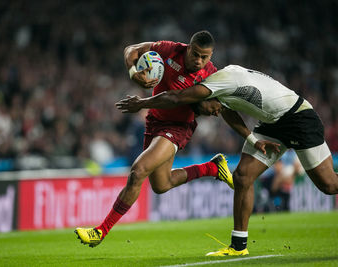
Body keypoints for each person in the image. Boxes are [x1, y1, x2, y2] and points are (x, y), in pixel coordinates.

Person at [116, 64, 338, 256]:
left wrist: (142, 103)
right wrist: (253, 139)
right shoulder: (221, 89)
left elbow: (175, 97)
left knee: (328, 185)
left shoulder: (217, 84)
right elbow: (228, 112)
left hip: (298, 118)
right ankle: (239, 245)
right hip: (273, 125)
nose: (212, 114)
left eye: (205, 109)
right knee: (242, 177)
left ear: (207, 96)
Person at [75, 31, 234, 247]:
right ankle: (213, 168)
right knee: (161, 184)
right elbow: (131, 50)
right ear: (188, 47)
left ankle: (100, 232)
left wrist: (141, 103)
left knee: (138, 171)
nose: (198, 60)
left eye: (204, 57)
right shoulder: (170, 50)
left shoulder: (211, 75)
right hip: (155, 122)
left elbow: (179, 100)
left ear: (211, 55)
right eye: (195, 54)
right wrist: (133, 72)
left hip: (178, 127)